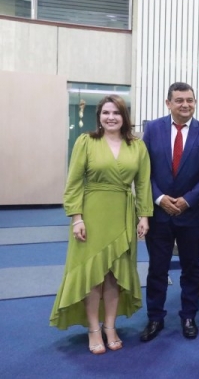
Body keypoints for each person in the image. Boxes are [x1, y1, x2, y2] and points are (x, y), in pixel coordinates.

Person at [50, 95, 153, 354]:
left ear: (124, 117)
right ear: (99, 117)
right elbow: (73, 182)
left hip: (123, 215)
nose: (110, 117)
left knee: (114, 276)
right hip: (92, 214)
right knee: (92, 275)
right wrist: (76, 218)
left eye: (116, 113)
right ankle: (94, 329)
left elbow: (142, 184)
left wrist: (144, 216)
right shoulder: (87, 142)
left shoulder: (137, 146)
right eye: (106, 112)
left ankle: (110, 326)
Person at [140, 82, 199, 342]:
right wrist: (159, 198)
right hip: (159, 213)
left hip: (192, 214)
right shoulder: (151, 129)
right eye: (179, 100)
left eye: (190, 100)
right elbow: (143, 171)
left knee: (191, 269)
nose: (185, 104)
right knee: (157, 269)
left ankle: (188, 316)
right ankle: (155, 318)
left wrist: (187, 200)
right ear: (168, 103)